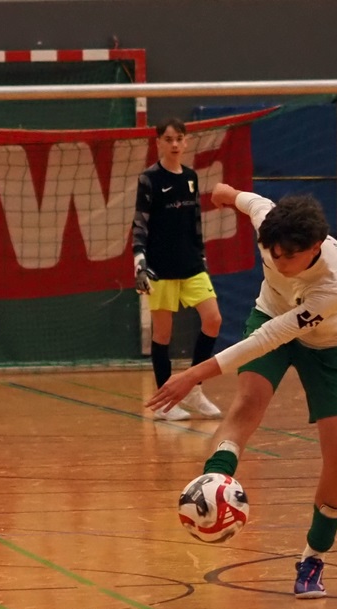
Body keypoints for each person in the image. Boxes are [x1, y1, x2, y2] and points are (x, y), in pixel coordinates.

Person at [147, 183, 337, 598]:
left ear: (315, 246)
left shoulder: (332, 285)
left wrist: (192, 375)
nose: (279, 263)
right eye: (273, 254)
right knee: (247, 404)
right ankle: (214, 487)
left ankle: (313, 557)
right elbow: (245, 200)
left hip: (329, 344)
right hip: (270, 314)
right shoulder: (269, 225)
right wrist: (223, 193)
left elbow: (266, 340)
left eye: (289, 257)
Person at [132, 117, 223, 421]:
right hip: (160, 268)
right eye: (168, 139)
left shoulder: (191, 177)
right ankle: (164, 403)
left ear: (186, 142)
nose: (174, 144)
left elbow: (195, 224)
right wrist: (140, 263)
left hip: (192, 265)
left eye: (179, 139)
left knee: (213, 319)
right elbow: (140, 224)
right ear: (158, 142)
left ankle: (194, 388)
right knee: (163, 333)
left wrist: (202, 257)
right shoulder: (149, 179)